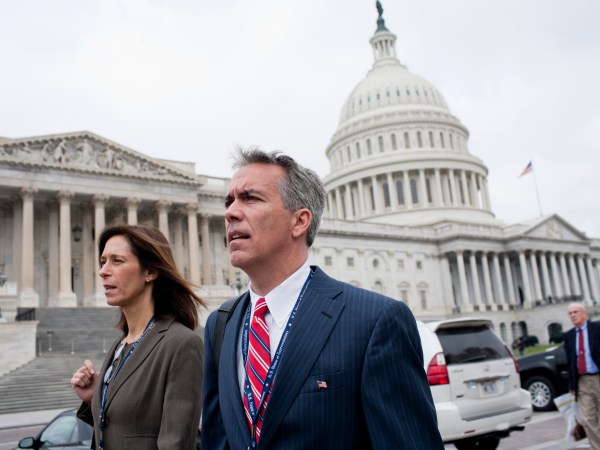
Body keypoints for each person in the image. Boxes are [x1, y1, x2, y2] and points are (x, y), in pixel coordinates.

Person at [201, 148, 443, 449]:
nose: (230, 212)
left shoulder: (374, 321)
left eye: (250, 198)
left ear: (300, 221)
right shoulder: (220, 326)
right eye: (229, 201)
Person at [71, 224, 205, 449]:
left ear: (150, 272)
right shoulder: (120, 344)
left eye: (117, 261)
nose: (103, 270)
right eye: (103, 261)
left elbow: (176, 443)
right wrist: (99, 397)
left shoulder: (181, 344)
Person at [564, 302, 600, 449]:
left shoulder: (596, 328)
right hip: (583, 382)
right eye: (570, 313)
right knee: (588, 420)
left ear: (584, 313)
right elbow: (571, 361)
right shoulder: (569, 336)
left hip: (598, 378)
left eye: (575, 312)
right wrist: (572, 385)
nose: (573, 315)